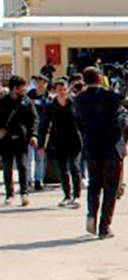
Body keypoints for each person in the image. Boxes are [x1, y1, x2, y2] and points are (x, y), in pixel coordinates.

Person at [73, 67, 128, 238]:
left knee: (94, 185)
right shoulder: (111, 97)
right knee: (110, 188)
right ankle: (104, 226)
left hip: (91, 146)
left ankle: (91, 215)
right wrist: (126, 119)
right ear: (99, 78)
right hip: (111, 147)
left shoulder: (79, 100)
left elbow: (79, 123)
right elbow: (120, 122)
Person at [38, 78, 83, 208]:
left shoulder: (75, 104)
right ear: (55, 91)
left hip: (75, 141)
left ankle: (76, 196)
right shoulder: (51, 106)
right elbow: (44, 125)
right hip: (58, 142)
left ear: (68, 89)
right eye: (59, 90)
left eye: (64, 89)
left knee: (74, 167)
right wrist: (41, 144)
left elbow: (82, 122)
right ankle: (67, 195)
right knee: (62, 170)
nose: (62, 92)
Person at [1, 76, 38, 206]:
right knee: (7, 167)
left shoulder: (27, 102)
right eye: (22, 87)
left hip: (22, 139)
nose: (25, 89)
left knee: (23, 166)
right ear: (15, 88)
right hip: (6, 140)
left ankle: (24, 193)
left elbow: (34, 119)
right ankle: (9, 194)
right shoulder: (2, 102)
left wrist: (33, 135)